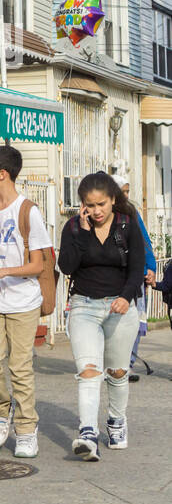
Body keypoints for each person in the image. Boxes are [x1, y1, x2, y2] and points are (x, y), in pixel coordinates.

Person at [57, 172, 145, 460]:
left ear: (113, 201)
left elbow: (136, 269)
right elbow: (67, 266)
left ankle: (117, 421)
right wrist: (83, 232)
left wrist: (125, 297)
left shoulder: (127, 225)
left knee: (118, 372)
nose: (96, 211)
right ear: (82, 204)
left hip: (120, 306)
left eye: (101, 205)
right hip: (83, 306)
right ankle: (87, 433)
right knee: (89, 371)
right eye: (89, 205)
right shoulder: (72, 228)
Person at [0, 145, 51, 459]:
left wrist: (1, 271)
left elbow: (39, 265)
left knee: (20, 368)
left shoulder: (28, 210)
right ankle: (0, 411)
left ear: (1, 173)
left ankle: (25, 428)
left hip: (23, 300)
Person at [111, 174, 156, 381]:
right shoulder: (103, 214)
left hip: (134, 276)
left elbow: (144, 241)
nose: (126, 195)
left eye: (128, 191)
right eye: (123, 191)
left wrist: (150, 266)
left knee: (134, 321)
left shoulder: (132, 213)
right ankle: (111, 364)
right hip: (112, 277)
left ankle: (127, 364)